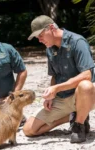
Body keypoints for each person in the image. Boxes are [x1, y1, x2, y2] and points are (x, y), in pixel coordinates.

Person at [23, 15, 95, 143]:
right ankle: (73, 115)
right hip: (62, 98)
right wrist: (51, 96)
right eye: (36, 37)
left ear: (51, 28)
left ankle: (78, 125)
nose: (39, 40)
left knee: (85, 85)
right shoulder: (49, 49)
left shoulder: (78, 42)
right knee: (29, 130)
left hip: (83, 95)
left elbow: (87, 75)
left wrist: (56, 88)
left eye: (40, 35)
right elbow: (54, 76)